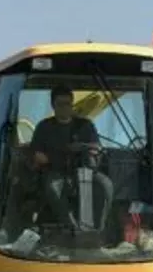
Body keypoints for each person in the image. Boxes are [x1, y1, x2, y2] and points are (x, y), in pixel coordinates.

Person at [29, 85, 113, 232]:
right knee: (53, 188)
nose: (64, 108)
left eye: (68, 104)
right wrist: (57, 156)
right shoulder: (44, 127)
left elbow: (96, 148)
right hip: (55, 172)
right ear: (53, 106)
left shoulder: (85, 126)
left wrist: (89, 150)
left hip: (85, 170)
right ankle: (73, 228)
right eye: (60, 104)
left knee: (106, 185)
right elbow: (38, 156)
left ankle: (99, 230)